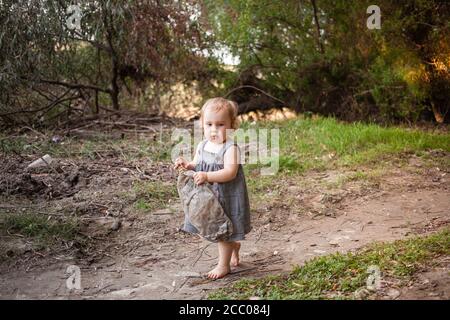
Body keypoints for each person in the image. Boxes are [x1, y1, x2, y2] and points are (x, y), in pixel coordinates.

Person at [174, 97, 251, 279]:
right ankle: (234, 246)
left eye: (220, 124)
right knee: (214, 228)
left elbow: (230, 172)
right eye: (209, 124)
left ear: (232, 125)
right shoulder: (202, 145)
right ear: (202, 124)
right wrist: (188, 165)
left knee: (223, 230)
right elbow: (197, 163)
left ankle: (223, 265)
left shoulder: (230, 148)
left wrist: (207, 176)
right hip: (208, 198)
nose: (214, 130)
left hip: (226, 196)